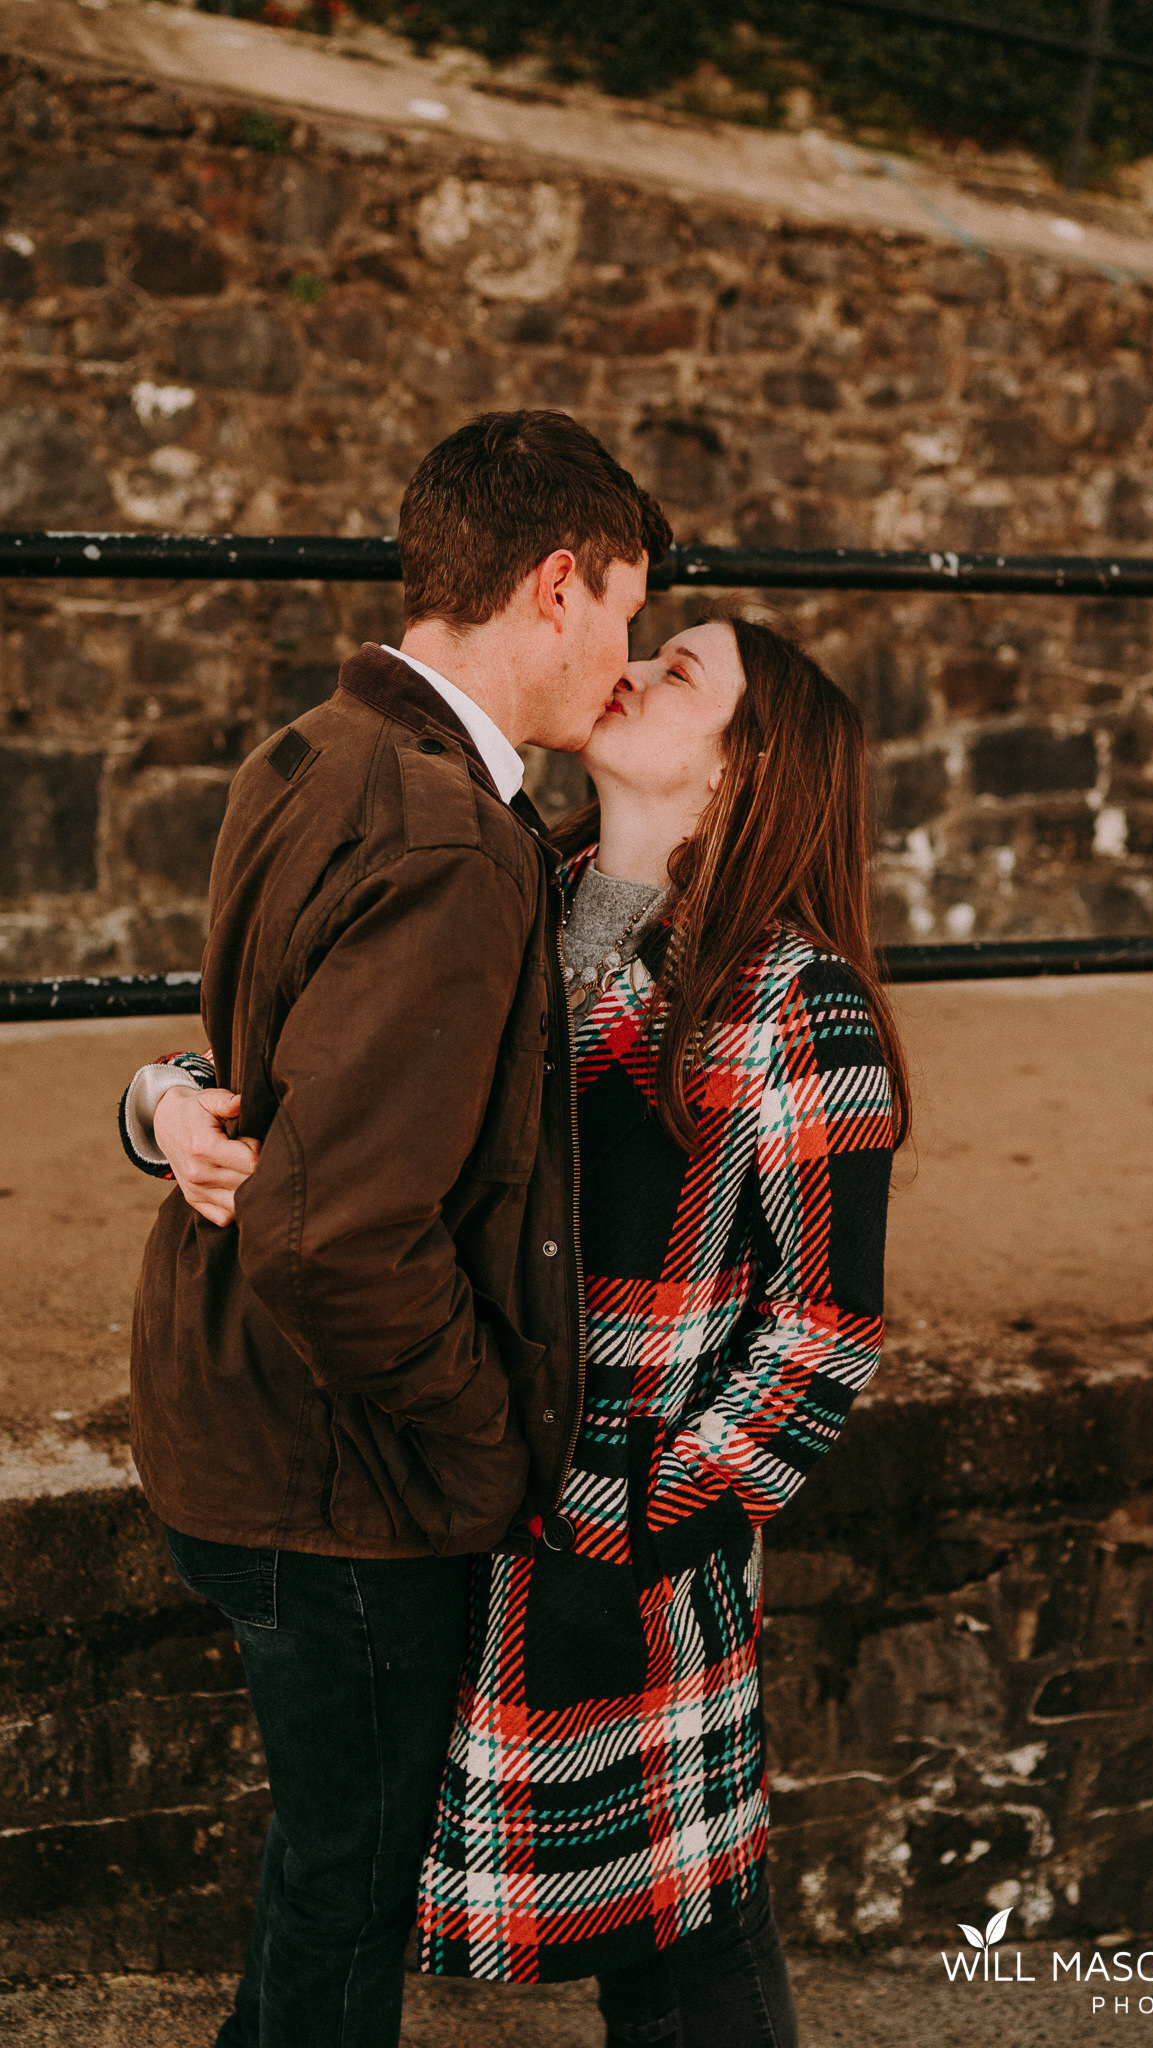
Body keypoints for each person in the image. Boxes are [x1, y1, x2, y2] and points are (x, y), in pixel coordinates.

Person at [136, 614, 912, 2048]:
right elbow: (301, 1061)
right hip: (417, 1496)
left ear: (745, 772)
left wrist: (631, 1520)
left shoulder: (796, 1010)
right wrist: (168, 1102)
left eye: (682, 672)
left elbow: (818, 1337)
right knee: (335, 1872)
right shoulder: (493, 880)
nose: (634, 662)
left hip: (613, 1551)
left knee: (686, 1935)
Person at [120, 408, 671, 2048]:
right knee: (348, 1908)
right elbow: (336, 1236)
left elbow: (273, 1084)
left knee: (320, 1875)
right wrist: (485, 1444)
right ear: (555, 585)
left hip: (236, 1421)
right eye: (628, 610)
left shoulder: (316, 745)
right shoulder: (447, 836)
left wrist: (162, 1100)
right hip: (336, 1482)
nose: (624, 656)